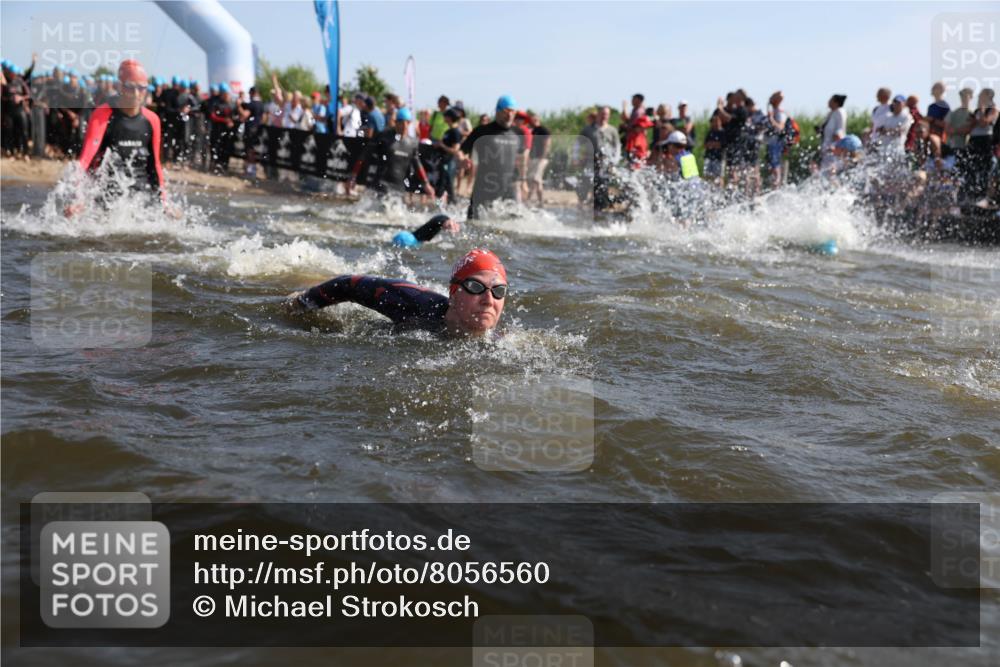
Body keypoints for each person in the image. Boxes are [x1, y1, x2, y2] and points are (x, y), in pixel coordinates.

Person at [285, 248, 508, 337]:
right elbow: (348, 284)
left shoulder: (500, 342)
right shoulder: (414, 302)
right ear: (454, 293)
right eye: (476, 287)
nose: (489, 300)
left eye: (499, 291)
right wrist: (300, 304)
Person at [73, 59, 165, 212]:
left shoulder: (152, 119)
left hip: (141, 196)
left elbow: (155, 164)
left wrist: (165, 203)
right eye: (130, 87)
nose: (136, 94)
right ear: (120, 86)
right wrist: (78, 197)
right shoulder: (102, 114)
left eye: (141, 88)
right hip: (107, 194)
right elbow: (86, 159)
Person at [460, 94, 527, 218]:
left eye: (512, 111)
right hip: (484, 185)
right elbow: (462, 150)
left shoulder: (519, 133)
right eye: (506, 111)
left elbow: (522, 159)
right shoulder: (482, 131)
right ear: (498, 111)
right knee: (474, 221)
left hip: (510, 186)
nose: (510, 114)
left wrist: (523, 181)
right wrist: (463, 159)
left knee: (514, 222)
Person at [348, 106, 435, 199]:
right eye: (401, 123)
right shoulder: (384, 137)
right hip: (381, 184)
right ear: (396, 122)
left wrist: (426, 184)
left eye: (407, 123)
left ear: (409, 123)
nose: (404, 126)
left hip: (399, 188)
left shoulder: (412, 143)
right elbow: (364, 155)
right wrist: (353, 176)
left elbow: (417, 164)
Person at [391, 213, 462, 248]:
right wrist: (448, 224)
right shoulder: (438, 222)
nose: (448, 228)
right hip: (408, 240)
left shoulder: (440, 221)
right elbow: (440, 220)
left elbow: (440, 218)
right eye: (448, 225)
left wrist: (449, 223)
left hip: (408, 236)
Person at [526, 112, 551, 206]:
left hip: (542, 158)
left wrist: (543, 157)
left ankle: (538, 200)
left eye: (535, 119)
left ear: (538, 119)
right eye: (532, 120)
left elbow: (547, 144)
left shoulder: (544, 130)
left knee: (536, 178)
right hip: (533, 157)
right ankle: (533, 201)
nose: (534, 121)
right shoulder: (531, 130)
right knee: (533, 179)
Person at [765, 91, 788, 187]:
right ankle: (774, 185)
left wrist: (771, 119)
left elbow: (781, 127)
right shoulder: (773, 110)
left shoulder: (780, 112)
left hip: (777, 142)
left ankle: (776, 185)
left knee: (775, 165)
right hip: (771, 142)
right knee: (771, 165)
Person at [819, 93, 848, 169]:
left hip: (834, 146)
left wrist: (836, 146)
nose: (828, 102)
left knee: (832, 169)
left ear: (836, 102)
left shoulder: (840, 112)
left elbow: (840, 129)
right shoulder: (831, 113)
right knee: (825, 169)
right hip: (828, 146)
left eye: (831, 100)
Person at [703, 112, 725, 184]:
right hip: (709, 157)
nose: (715, 123)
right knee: (707, 176)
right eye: (714, 121)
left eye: (717, 121)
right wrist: (714, 144)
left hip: (718, 158)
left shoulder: (722, 132)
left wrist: (712, 144)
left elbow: (721, 145)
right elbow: (705, 145)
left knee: (719, 176)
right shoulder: (710, 132)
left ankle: (720, 189)